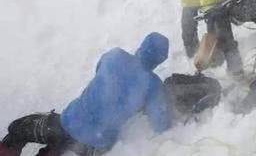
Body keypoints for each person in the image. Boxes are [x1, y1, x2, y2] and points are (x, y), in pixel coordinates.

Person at [0, 33, 172, 156]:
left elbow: (99, 70)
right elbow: (160, 124)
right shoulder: (153, 85)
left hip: (66, 123)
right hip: (92, 145)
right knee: (61, 146)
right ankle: (55, 149)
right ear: (159, 60)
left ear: (142, 45)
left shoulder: (116, 56)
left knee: (19, 128)